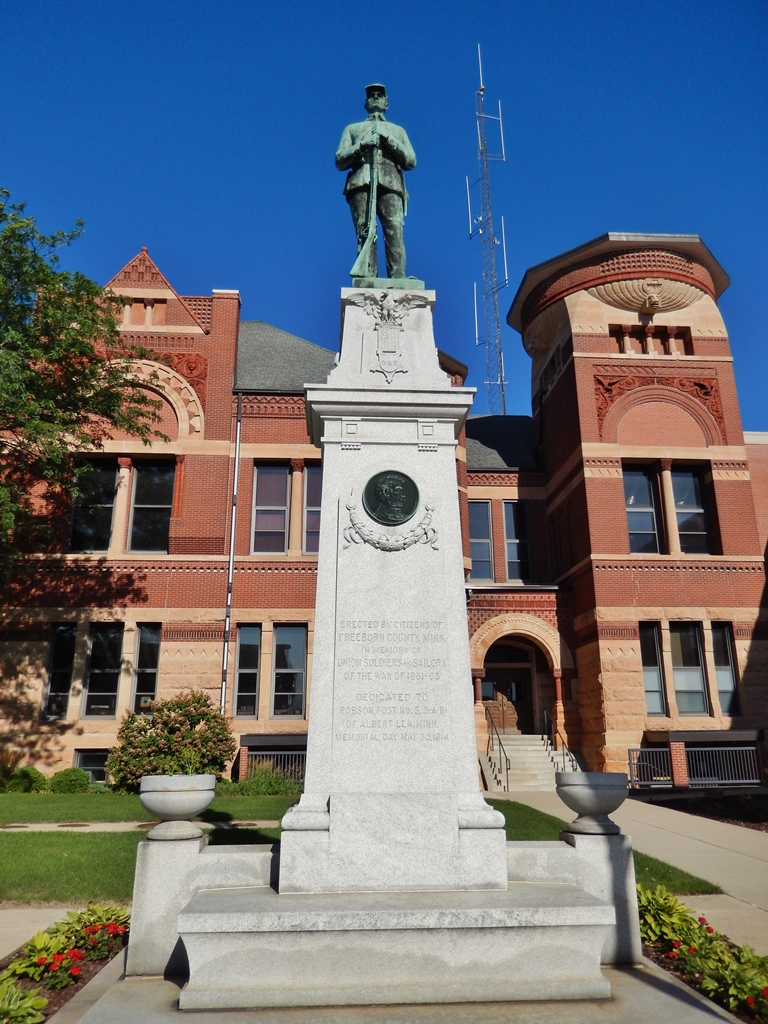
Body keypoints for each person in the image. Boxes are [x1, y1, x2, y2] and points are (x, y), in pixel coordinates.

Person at [335, 84, 416, 280]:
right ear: (366, 102)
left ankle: (398, 276)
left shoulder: (398, 130)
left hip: (391, 182)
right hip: (361, 181)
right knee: (365, 232)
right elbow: (339, 159)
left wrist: (388, 140)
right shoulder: (352, 129)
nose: (376, 97)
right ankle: (367, 276)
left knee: (395, 228)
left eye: (380, 95)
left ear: (386, 102)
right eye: (372, 95)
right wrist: (362, 145)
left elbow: (411, 160)